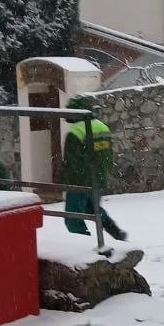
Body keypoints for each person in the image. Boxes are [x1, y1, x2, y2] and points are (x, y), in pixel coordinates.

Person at [60, 96, 127, 241]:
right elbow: (108, 156)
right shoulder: (102, 127)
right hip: (99, 179)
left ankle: (84, 248)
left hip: (80, 182)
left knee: (73, 219)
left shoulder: (75, 131)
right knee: (92, 209)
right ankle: (116, 232)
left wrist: (65, 182)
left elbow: (71, 163)